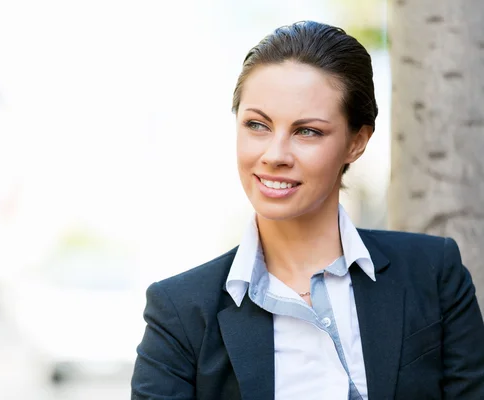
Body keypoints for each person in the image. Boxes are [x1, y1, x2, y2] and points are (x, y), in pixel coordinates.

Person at [130, 21, 484, 400]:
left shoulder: (433, 273)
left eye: (307, 131)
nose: (275, 155)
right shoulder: (180, 311)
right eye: (257, 125)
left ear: (356, 142)